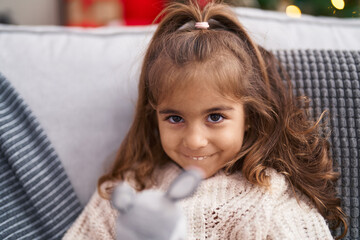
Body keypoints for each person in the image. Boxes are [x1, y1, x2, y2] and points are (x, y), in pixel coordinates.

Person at [63, 0, 347, 239]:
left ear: (249, 116)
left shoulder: (269, 199)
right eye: (175, 118)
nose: (195, 141)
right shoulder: (129, 190)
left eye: (215, 116)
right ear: (155, 116)